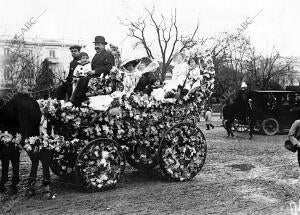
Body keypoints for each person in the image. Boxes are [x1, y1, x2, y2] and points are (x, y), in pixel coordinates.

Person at [71, 36, 115, 107]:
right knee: (81, 79)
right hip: (95, 75)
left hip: (103, 76)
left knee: (84, 80)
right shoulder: (96, 55)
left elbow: (109, 67)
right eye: (95, 45)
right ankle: (76, 100)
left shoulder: (108, 55)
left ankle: (78, 100)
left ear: (104, 45)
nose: (96, 46)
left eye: (99, 44)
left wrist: (95, 71)